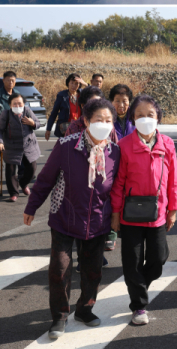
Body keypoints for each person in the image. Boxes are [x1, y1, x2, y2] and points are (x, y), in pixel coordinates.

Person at [24, 98, 121, 340]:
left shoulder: (115, 151)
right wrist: (32, 206)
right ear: (86, 121)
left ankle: (85, 309)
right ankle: (59, 316)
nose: (103, 124)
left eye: (108, 120)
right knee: (59, 269)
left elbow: (119, 188)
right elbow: (45, 179)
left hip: (98, 221)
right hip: (64, 217)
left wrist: (117, 221)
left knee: (92, 271)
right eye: (98, 119)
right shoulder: (67, 145)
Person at [110, 94, 177, 326]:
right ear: (132, 118)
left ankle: (137, 285)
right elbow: (118, 181)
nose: (145, 119)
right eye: (139, 115)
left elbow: (173, 180)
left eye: (150, 115)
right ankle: (139, 306)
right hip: (131, 215)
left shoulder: (167, 144)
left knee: (158, 259)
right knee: (132, 263)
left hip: (158, 213)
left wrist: (173, 208)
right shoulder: (124, 145)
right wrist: (116, 213)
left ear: (158, 117)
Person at [65, 85, 116, 260]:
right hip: (81, 183)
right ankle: (82, 258)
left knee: (100, 218)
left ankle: (97, 255)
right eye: (91, 104)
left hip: (102, 182)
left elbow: (115, 151)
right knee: (82, 221)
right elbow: (67, 154)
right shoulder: (74, 127)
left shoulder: (109, 127)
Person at [0, 93, 41, 202]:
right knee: (10, 171)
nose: (17, 106)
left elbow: (38, 124)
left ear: (24, 104)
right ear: (10, 105)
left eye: (19, 103)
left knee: (32, 168)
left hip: (28, 145)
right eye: (14, 104)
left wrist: (32, 123)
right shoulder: (6, 114)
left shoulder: (28, 111)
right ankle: (14, 193)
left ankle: (23, 183)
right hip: (11, 146)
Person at [0, 71, 17, 182]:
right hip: (1, 127)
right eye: (8, 80)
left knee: (13, 152)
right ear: (3, 80)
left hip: (14, 128)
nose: (10, 82)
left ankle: (15, 174)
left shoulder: (17, 94)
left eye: (12, 80)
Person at [45, 73, 87, 140]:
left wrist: (85, 84)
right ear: (68, 83)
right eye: (72, 83)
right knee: (66, 149)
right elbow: (54, 113)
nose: (74, 85)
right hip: (66, 129)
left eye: (76, 83)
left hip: (80, 128)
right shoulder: (61, 95)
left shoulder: (82, 94)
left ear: (79, 85)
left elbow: (95, 93)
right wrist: (48, 129)